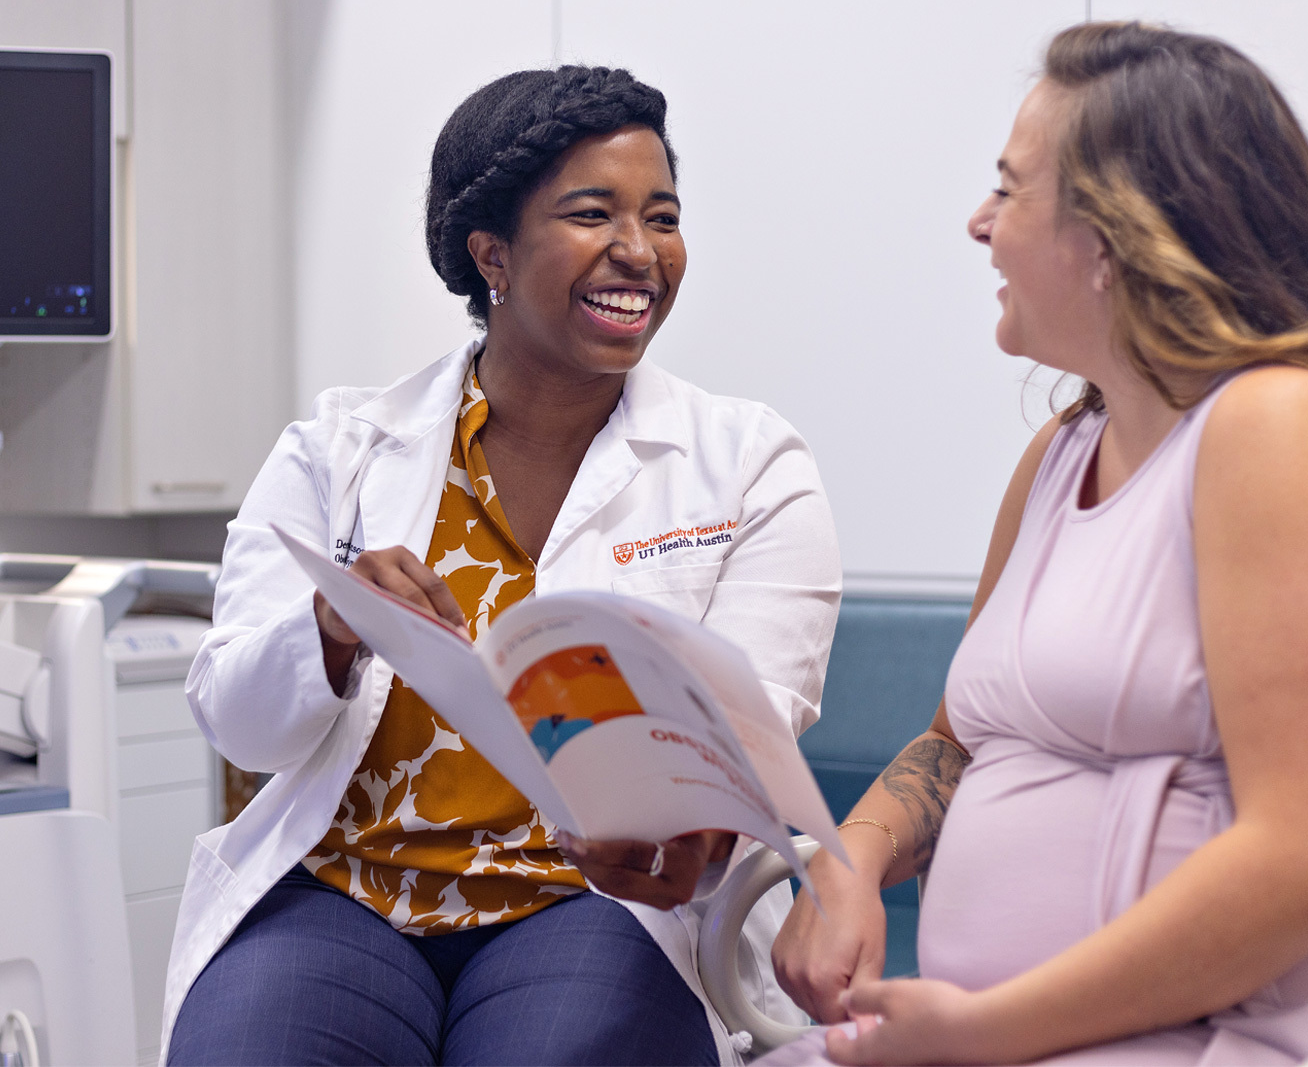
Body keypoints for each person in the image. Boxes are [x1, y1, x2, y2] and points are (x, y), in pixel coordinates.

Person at [163, 65, 840, 1066]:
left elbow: (753, 733)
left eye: (662, 216)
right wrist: (332, 626)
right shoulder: (339, 446)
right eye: (592, 214)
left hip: (596, 897)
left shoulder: (750, 463)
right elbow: (243, 722)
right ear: (494, 254)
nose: (639, 252)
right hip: (348, 887)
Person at [768, 21, 1308, 1066]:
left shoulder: (1291, 423)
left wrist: (983, 1031)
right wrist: (855, 851)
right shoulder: (1063, 453)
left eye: (1010, 189)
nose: (980, 223)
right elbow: (955, 743)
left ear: (1116, 236)